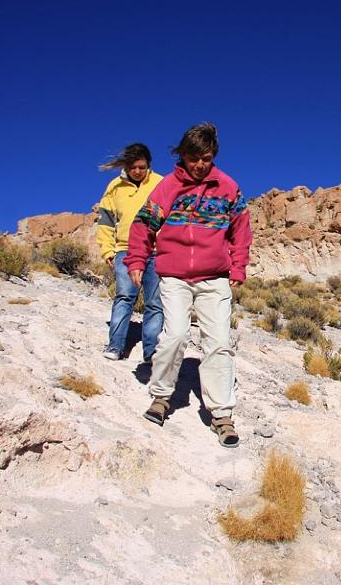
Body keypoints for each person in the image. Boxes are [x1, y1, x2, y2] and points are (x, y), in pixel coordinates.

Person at [124, 122, 251, 448]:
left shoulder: (228, 188)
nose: (199, 165)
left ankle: (221, 415)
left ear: (213, 156)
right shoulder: (167, 187)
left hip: (215, 278)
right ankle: (161, 397)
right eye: (193, 157)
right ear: (183, 155)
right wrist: (136, 261)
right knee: (175, 335)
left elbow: (241, 230)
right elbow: (143, 226)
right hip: (175, 276)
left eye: (206, 158)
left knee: (218, 342)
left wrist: (238, 266)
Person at [96, 143, 164, 362]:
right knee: (124, 297)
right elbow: (105, 221)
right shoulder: (114, 187)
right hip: (125, 249)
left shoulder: (160, 183)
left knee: (155, 302)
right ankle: (115, 346)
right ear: (126, 166)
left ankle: (150, 351)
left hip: (155, 250)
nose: (137, 171)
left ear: (149, 165)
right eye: (133, 167)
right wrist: (107, 249)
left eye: (142, 167)